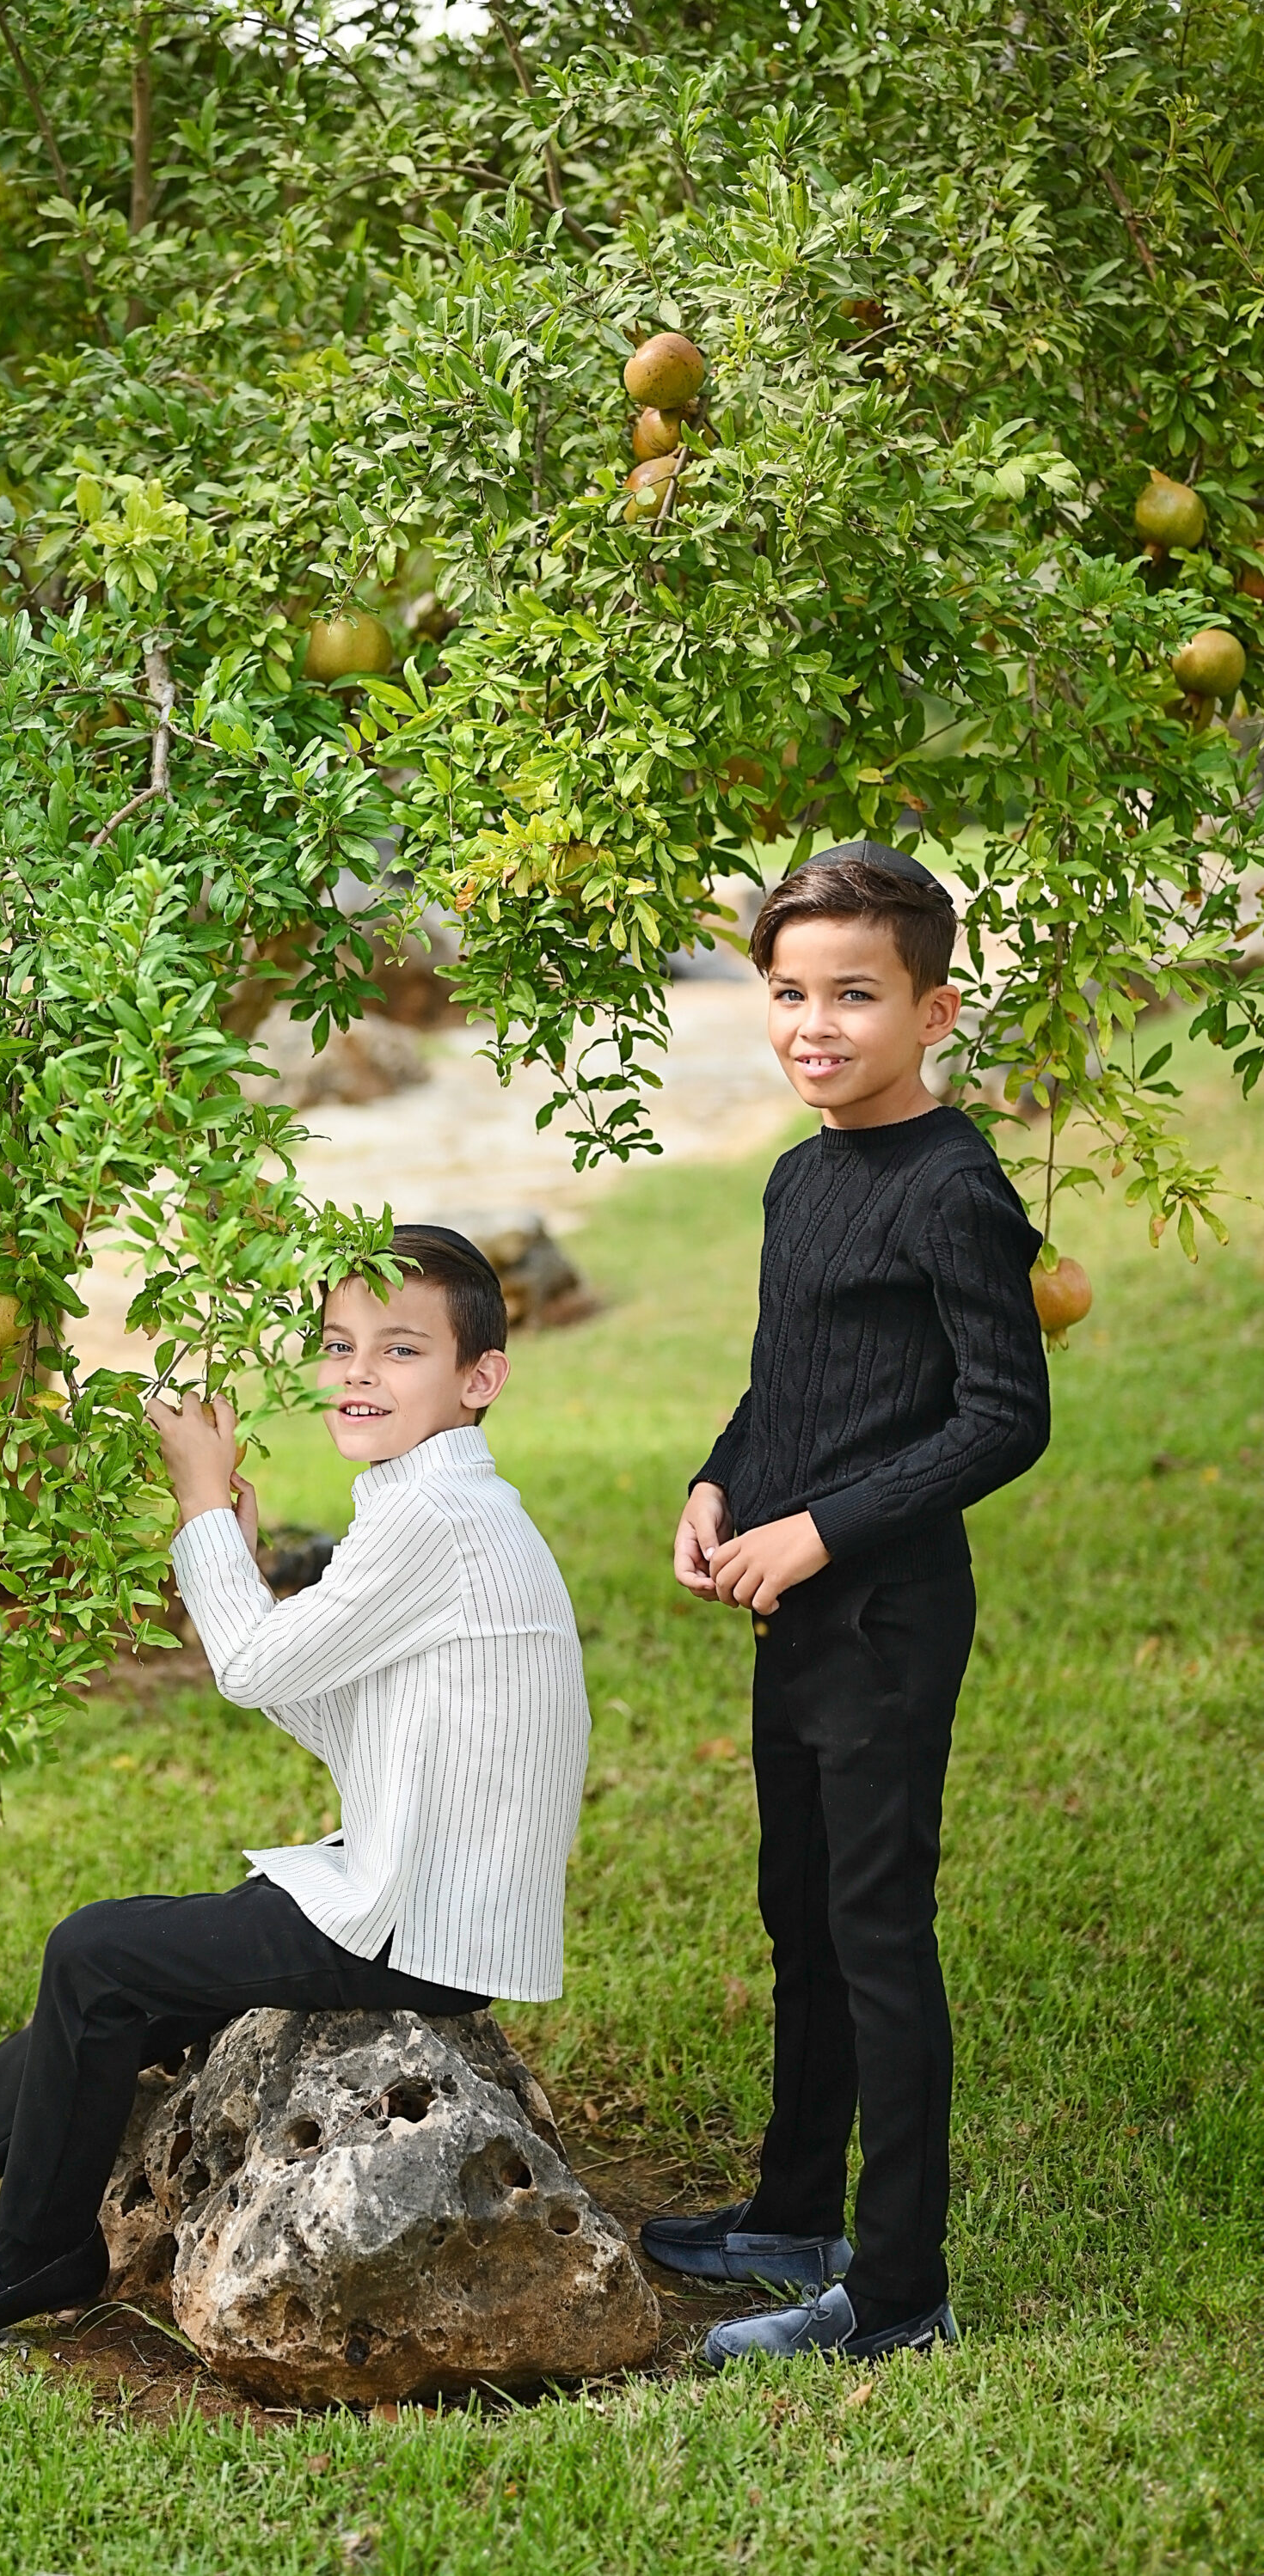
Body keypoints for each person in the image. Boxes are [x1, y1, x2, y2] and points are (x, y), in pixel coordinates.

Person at [0, 1226, 591, 2340]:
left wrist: (203, 1503)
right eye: (337, 1343)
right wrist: (239, 1561)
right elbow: (318, 1699)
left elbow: (253, 1667)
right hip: (416, 1898)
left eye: (400, 1349)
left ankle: (36, 2248)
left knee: (95, 1952)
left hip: (419, 1922)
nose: (358, 1371)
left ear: (479, 1377)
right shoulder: (439, 1505)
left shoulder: (433, 1521)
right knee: (106, 1991)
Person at [641, 841, 1051, 2366]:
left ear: (934, 1009)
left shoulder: (956, 1188)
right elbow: (787, 1380)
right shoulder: (801, 1175)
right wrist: (716, 1481)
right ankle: (789, 2212)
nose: (815, 1023)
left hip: (884, 1619)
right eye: (790, 990)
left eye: (856, 994)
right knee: (797, 1914)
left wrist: (819, 1530)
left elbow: (1005, 1414)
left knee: (878, 1933)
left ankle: (896, 2291)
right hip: (791, 1610)